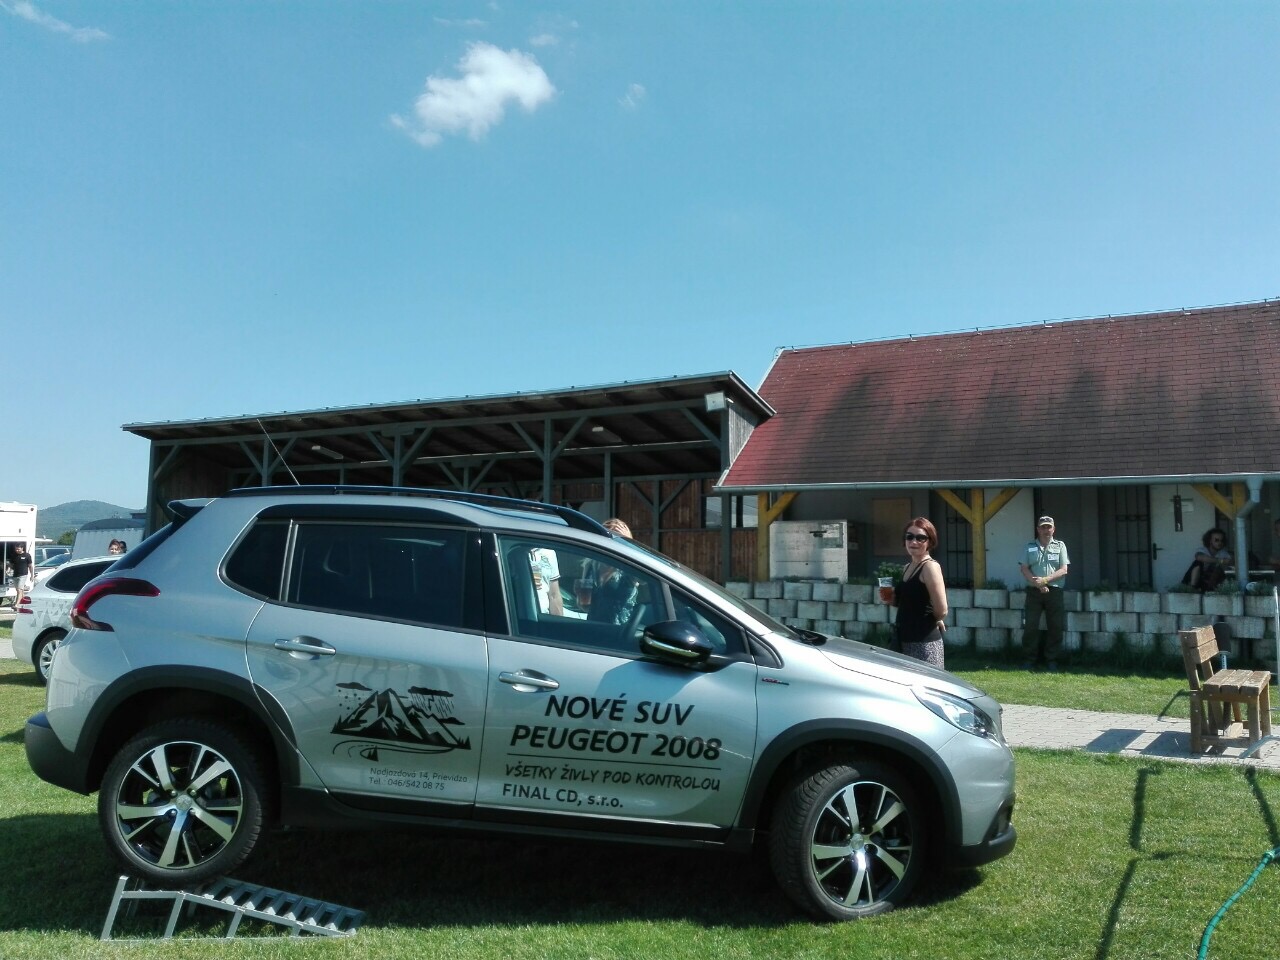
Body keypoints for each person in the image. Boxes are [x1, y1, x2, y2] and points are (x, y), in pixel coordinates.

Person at [891, 517, 948, 668]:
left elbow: (942, 610)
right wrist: (890, 598)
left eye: (920, 538)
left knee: (926, 682)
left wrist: (935, 619)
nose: (913, 541)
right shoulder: (907, 567)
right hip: (903, 639)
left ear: (930, 541)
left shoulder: (930, 567)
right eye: (909, 537)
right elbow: (909, 604)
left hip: (923, 643)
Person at [1020, 516, 1069, 672]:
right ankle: (1029, 660)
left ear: (1053, 529)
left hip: (1054, 591)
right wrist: (1038, 584)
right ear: (1038, 529)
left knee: (1055, 626)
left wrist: (1045, 580)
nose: (1046, 530)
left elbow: (1063, 570)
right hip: (1034, 591)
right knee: (1030, 626)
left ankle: (1052, 660)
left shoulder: (1060, 546)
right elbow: (1024, 568)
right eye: (1043, 527)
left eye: (1049, 527)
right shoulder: (1029, 546)